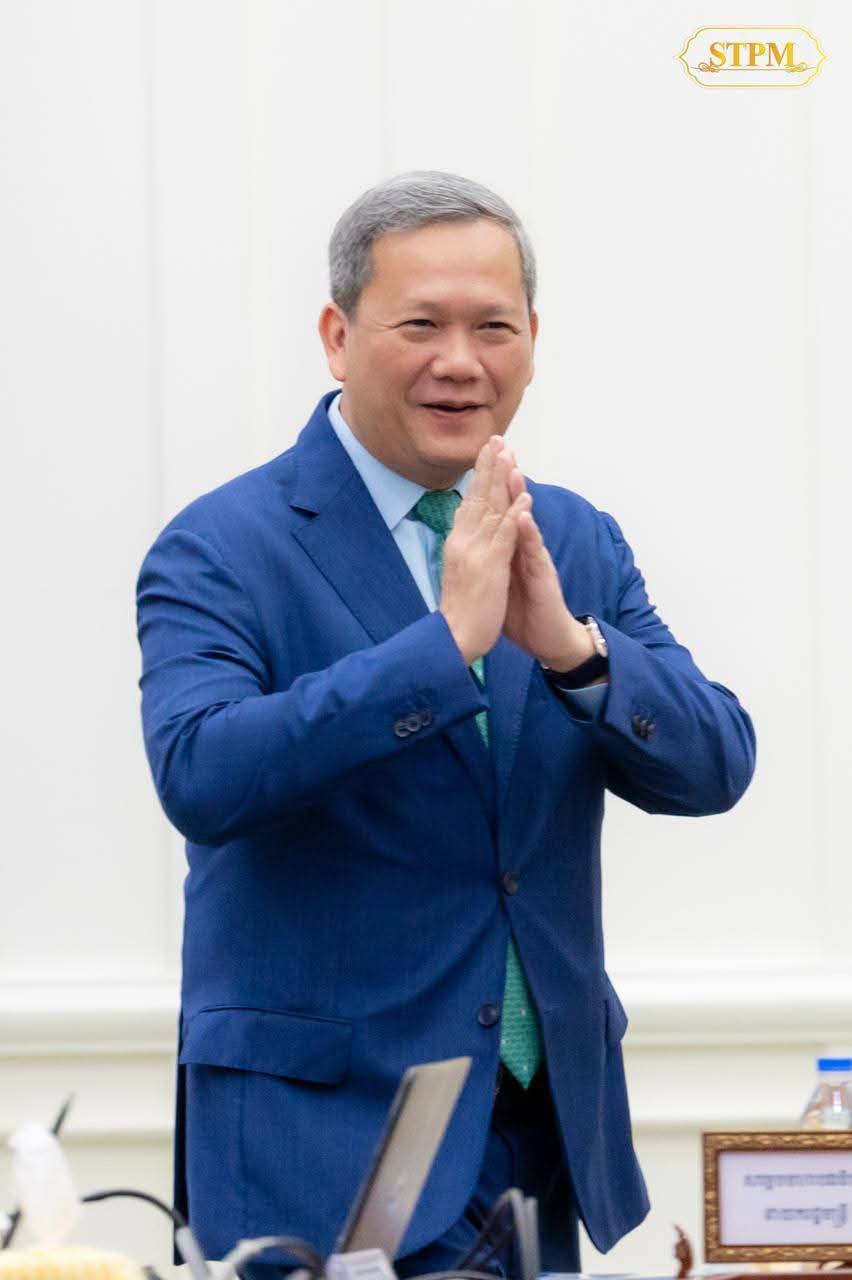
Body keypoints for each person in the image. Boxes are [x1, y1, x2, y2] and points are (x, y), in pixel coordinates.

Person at [136, 171, 756, 1278]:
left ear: (534, 342)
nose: (460, 361)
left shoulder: (571, 535)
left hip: (535, 1128)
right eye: (420, 325)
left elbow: (714, 764)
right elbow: (202, 773)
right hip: (322, 1143)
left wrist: (572, 649)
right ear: (338, 337)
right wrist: (443, 648)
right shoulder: (223, 543)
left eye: (494, 327)